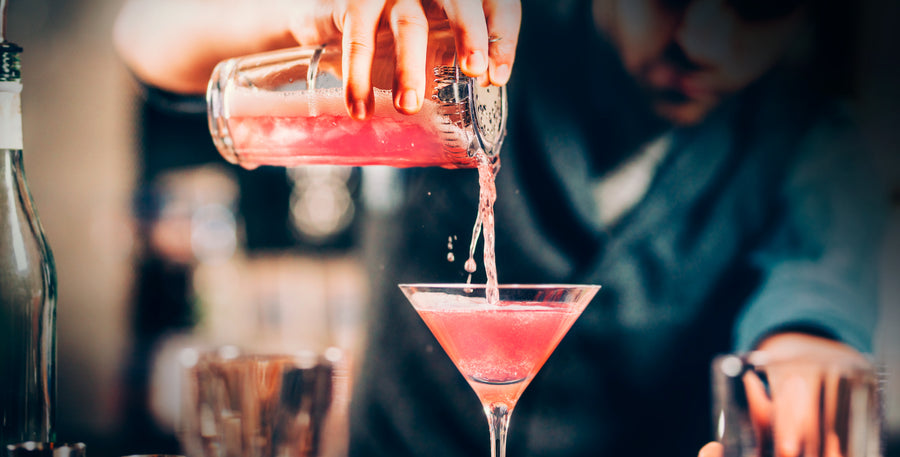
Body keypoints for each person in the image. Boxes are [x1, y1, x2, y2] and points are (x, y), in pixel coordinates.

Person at [113, 1, 888, 457]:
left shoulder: (818, 134)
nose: (702, 42)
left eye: (758, 6)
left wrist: (791, 391)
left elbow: (812, 310)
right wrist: (299, 10)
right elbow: (144, 34)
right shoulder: (477, 38)